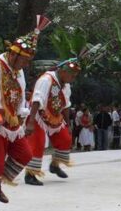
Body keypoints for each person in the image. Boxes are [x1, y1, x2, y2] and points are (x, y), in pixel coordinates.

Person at [0, 15, 50, 211]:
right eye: (24, 59)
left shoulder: (17, 70)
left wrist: (24, 120)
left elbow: (20, 96)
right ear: (13, 53)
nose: (26, 63)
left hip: (11, 122)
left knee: (24, 153)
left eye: (28, 60)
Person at [24, 58, 81, 186]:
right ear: (62, 72)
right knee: (37, 143)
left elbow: (66, 105)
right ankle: (30, 174)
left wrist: (67, 124)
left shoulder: (66, 86)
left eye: (75, 76)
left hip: (55, 116)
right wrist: (31, 122)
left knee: (65, 139)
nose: (73, 78)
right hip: (38, 115)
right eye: (72, 75)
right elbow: (36, 100)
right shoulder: (46, 80)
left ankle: (55, 165)